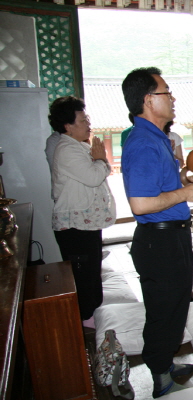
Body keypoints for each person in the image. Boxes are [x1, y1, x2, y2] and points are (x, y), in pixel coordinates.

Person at [121, 67, 193, 397]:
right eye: (165, 92)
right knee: (162, 310)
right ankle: (159, 374)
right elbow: (140, 204)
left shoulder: (157, 138)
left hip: (173, 235)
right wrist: (185, 194)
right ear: (147, 100)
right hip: (159, 240)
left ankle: (166, 363)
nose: (172, 98)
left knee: (176, 304)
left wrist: (186, 185)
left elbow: (159, 190)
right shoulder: (143, 142)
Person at [48, 96, 116, 322]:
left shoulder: (79, 146)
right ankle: (85, 323)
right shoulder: (66, 149)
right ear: (67, 126)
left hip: (85, 222)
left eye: (87, 119)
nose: (88, 124)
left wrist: (99, 159)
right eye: (83, 120)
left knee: (91, 271)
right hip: (74, 227)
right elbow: (93, 177)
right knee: (83, 275)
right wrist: (102, 160)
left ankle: (95, 318)